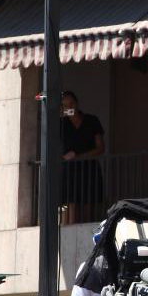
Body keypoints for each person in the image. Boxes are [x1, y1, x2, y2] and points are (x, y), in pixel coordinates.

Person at [59, 91, 104, 224]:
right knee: (71, 204)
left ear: (77, 104)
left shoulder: (91, 120)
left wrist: (78, 156)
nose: (69, 107)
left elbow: (101, 148)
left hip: (89, 169)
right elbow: (54, 148)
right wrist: (65, 157)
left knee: (88, 206)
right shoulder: (61, 124)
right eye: (65, 105)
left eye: (71, 103)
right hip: (70, 170)